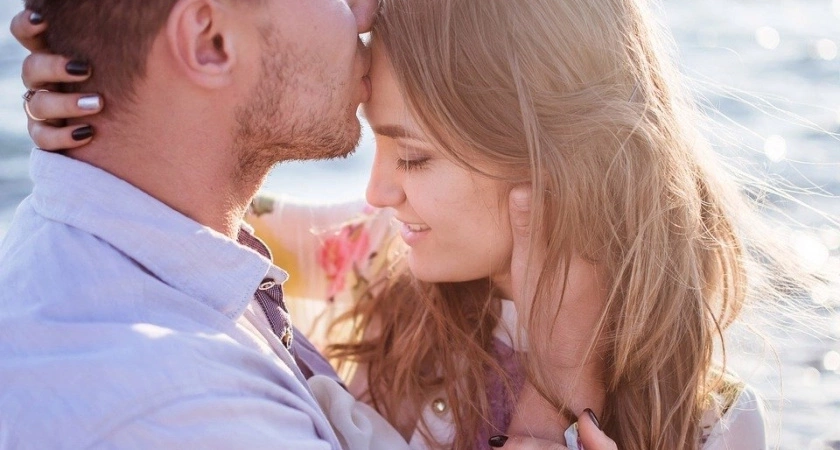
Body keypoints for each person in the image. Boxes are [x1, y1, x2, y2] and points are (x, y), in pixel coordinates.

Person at [11, 0, 821, 448]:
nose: (377, 190)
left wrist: (119, 110)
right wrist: (119, 101)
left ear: (558, 163)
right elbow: (218, 224)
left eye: (414, 157)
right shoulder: (378, 260)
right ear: (208, 36)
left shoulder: (707, 419)